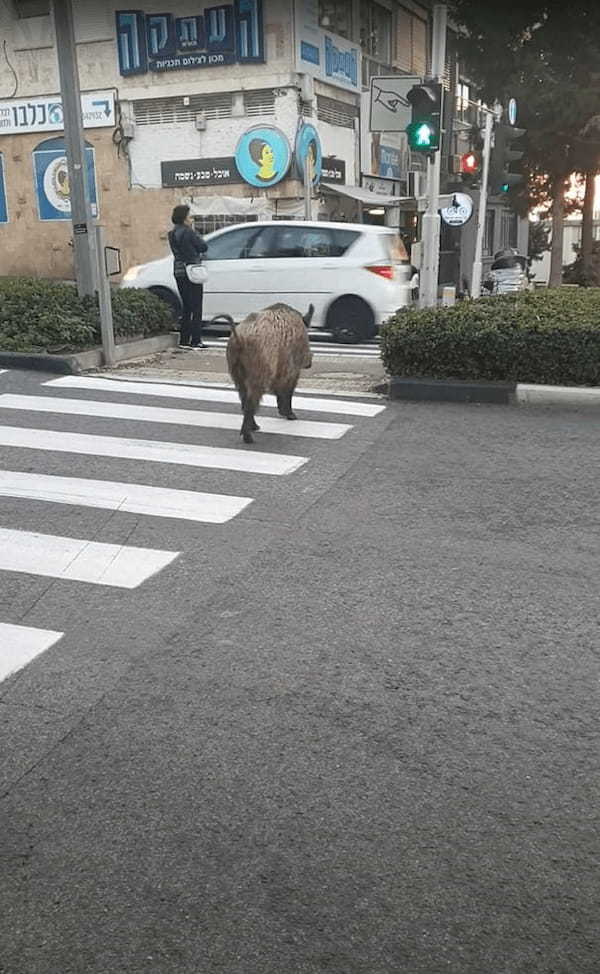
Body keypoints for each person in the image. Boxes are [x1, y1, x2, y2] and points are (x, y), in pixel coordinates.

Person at [168, 204, 208, 348]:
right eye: (189, 216)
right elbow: (203, 246)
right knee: (196, 306)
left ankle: (184, 339)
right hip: (192, 270)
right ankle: (196, 340)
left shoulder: (171, 234)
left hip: (179, 271)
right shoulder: (189, 232)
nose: (191, 219)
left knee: (187, 306)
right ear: (184, 218)